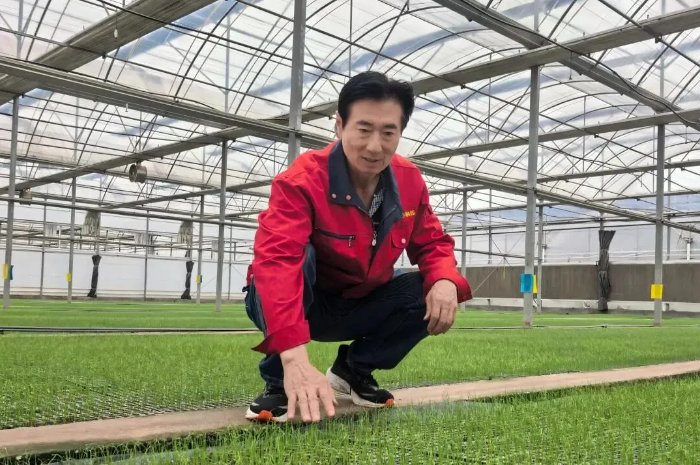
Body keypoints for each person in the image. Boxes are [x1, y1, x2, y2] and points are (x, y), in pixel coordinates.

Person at [243, 71, 472, 424]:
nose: (375, 146)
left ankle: (353, 370)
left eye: (388, 132)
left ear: (400, 132)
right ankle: (280, 380)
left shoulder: (409, 180)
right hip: (306, 301)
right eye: (363, 129)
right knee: (295, 261)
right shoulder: (302, 181)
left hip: (359, 303)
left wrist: (443, 279)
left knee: (427, 286)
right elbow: (278, 262)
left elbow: (432, 242)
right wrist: (293, 357)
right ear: (340, 125)